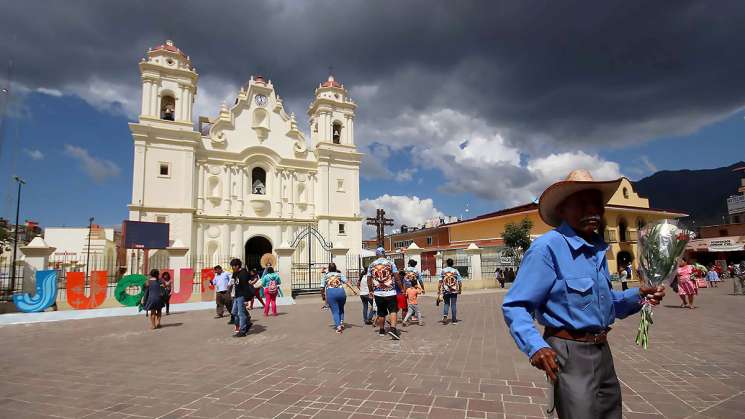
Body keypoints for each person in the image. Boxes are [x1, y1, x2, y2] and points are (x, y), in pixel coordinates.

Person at [502, 170, 665, 419]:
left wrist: (639, 295)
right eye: (582, 204)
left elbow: (605, 303)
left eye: (597, 205)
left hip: (602, 351)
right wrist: (535, 347)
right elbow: (515, 305)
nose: (592, 211)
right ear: (563, 210)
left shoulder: (597, 249)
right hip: (568, 353)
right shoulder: (547, 248)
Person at [367, 247, 404, 340]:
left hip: (378, 293)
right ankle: (393, 329)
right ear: (384, 254)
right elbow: (396, 277)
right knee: (393, 310)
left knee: (381, 312)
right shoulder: (391, 263)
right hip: (390, 292)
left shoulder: (371, 265)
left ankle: (382, 330)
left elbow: (368, 279)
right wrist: (402, 289)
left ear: (377, 254)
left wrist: (371, 290)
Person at [321, 263, 349, 333]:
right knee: (341, 308)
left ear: (329, 268)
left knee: (335, 311)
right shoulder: (340, 274)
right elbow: (347, 281)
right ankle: (341, 322)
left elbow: (322, 287)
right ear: (335, 268)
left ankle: (338, 327)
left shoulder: (325, 276)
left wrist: (323, 295)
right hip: (341, 293)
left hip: (331, 294)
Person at [229, 259, 253, 337]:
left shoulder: (243, 273)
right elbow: (232, 282)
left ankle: (242, 331)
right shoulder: (235, 273)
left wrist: (246, 299)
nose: (232, 268)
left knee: (241, 314)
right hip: (236, 295)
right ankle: (248, 321)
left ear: (237, 266)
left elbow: (246, 286)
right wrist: (230, 290)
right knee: (234, 312)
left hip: (242, 295)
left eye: (233, 266)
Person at [438, 258, 462, 324]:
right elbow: (459, 281)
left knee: (446, 304)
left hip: (445, 290)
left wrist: (438, 289)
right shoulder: (455, 271)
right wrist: (460, 289)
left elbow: (440, 281)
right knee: (453, 304)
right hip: (454, 290)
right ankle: (454, 319)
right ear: (452, 263)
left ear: (446, 263)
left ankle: (445, 316)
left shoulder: (443, 271)